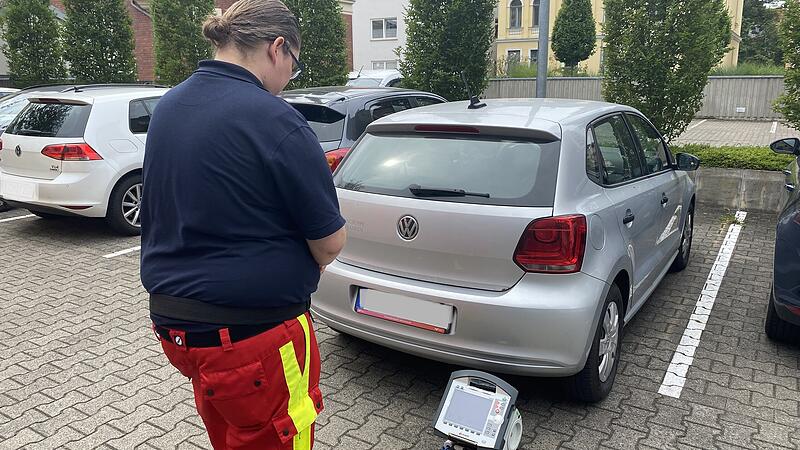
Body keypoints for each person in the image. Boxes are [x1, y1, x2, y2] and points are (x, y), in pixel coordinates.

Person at [139, 1, 346, 448]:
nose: (291, 76)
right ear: (277, 48)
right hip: (255, 337)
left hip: (178, 329)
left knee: (231, 436)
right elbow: (329, 243)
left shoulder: (169, 108)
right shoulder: (275, 119)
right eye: (295, 62)